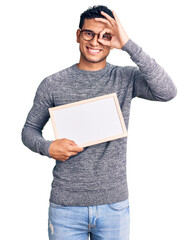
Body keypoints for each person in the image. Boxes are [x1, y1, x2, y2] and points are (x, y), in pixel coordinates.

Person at [21, 5, 177, 240]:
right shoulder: (53, 84)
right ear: (78, 35)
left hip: (114, 205)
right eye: (89, 33)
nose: (96, 42)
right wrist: (48, 147)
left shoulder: (125, 78)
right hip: (66, 207)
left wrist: (128, 44)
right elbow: (29, 130)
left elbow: (167, 91)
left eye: (106, 36)